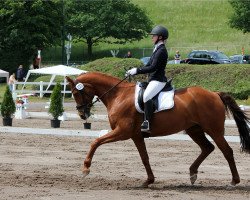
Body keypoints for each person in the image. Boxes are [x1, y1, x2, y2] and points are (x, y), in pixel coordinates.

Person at [126, 25, 169, 132]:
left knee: (146, 96)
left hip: (158, 80)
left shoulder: (162, 50)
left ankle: (147, 123)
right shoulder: (157, 49)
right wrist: (135, 71)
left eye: (154, 36)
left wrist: (137, 71)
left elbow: (153, 67)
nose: (152, 38)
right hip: (153, 79)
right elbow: (148, 65)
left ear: (160, 37)